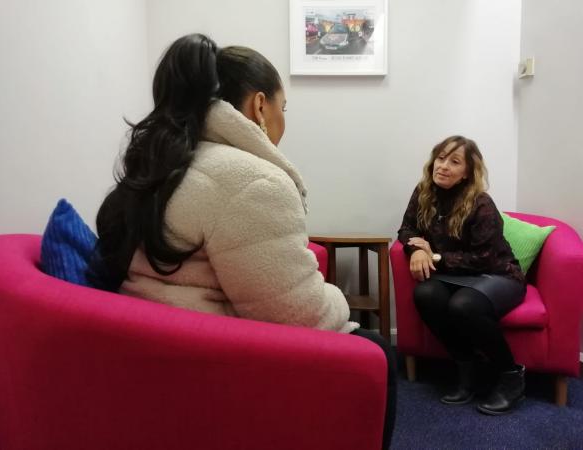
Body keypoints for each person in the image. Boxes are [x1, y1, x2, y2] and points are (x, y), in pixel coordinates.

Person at [90, 34, 396, 447]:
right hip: (211, 360)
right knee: (377, 351)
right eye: (283, 107)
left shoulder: (168, 160)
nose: (284, 119)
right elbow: (298, 314)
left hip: (153, 345)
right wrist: (338, 296)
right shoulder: (251, 180)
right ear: (259, 106)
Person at [397, 135, 526, 415]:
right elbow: (407, 229)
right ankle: (469, 369)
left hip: (499, 275)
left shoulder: (481, 203)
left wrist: (435, 257)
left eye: (454, 161)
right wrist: (415, 250)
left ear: (467, 172)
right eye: (441, 158)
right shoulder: (424, 192)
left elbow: (484, 258)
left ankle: (511, 376)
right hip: (456, 276)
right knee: (425, 294)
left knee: (464, 305)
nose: (443, 166)